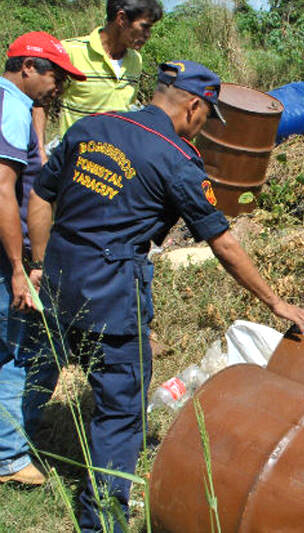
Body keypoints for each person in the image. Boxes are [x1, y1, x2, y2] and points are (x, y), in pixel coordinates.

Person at [27, 59, 304, 532]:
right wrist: (276, 303)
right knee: (120, 407)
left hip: (59, 281)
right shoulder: (176, 158)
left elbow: (41, 195)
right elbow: (222, 242)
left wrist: (39, 263)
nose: (204, 128)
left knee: (40, 370)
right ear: (194, 106)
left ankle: (15, 454)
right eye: (207, 118)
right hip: (111, 295)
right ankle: (102, 520)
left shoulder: (91, 126)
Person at [0, 33, 85, 485]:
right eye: (56, 75)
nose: (60, 87)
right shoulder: (12, 106)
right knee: (23, 350)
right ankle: (10, 459)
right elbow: (4, 189)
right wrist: (19, 266)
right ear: (28, 67)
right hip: (5, 255)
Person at [32, 0, 163, 159]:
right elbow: (40, 102)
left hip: (112, 166)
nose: (147, 35)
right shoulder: (71, 51)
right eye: (144, 27)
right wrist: (39, 151)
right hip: (73, 160)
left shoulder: (135, 60)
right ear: (121, 19)